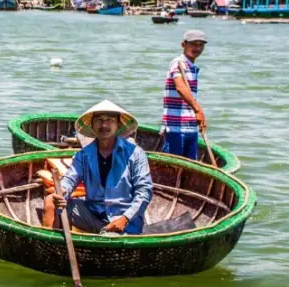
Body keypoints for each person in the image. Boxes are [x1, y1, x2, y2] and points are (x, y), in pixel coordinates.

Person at [51, 100, 153, 234]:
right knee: (50, 203)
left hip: (123, 220)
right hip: (93, 214)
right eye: (99, 120)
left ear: (118, 124)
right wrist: (62, 192)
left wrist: (125, 218)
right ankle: (53, 246)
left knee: (111, 238)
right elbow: (70, 179)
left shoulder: (136, 153)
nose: (104, 125)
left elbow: (145, 192)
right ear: (92, 125)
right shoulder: (84, 155)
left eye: (110, 120)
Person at [161, 29, 207, 161]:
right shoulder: (178, 63)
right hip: (175, 127)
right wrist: (197, 109)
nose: (197, 48)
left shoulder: (192, 67)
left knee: (190, 167)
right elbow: (180, 87)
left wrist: (198, 114)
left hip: (191, 127)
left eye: (200, 45)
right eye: (193, 44)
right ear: (183, 44)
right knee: (173, 166)